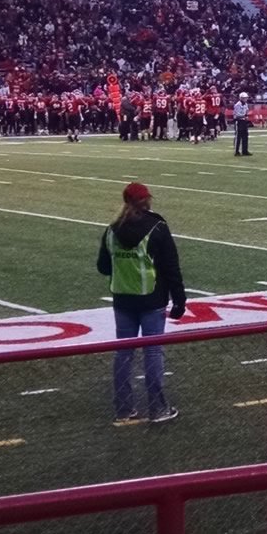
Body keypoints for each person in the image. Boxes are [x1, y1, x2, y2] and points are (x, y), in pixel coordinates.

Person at [96, 182, 186, 425]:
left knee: (124, 353)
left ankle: (124, 410)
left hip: (123, 298)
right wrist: (179, 299)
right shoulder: (157, 226)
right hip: (152, 298)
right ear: (147, 200)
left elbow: (103, 267)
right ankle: (157, 408)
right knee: (153, 351)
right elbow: (171, 266)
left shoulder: (112, 229)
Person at [232, 92, 251, 157]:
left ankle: (245, 150)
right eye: (244, 98)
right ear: (241, 98)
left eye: (246, 98)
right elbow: (236, 115)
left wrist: (246, 116)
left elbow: (246, 111)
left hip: (244, 121)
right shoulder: (237, 105)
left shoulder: (246, 104)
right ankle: (236, 151)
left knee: (245, 136)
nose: (246, 99)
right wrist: (244, 116)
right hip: (238, 121)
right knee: (238, 136)